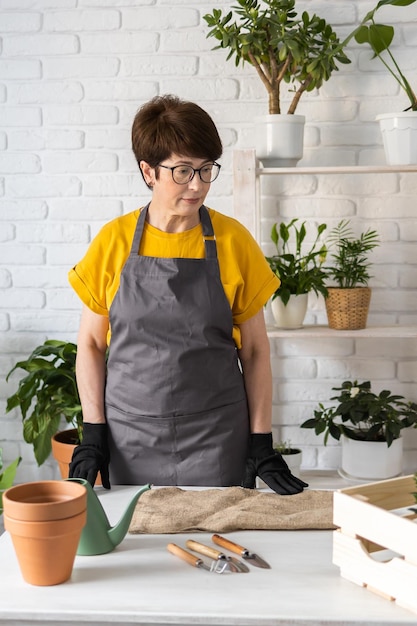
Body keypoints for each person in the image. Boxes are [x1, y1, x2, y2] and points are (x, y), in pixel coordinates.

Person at [68, 94, 308, 496]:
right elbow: (91, 344)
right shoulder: (113, 242)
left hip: (216, 436)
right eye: (182, 171)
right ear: (148, 171)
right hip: (131, 437)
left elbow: (254, 351)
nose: (197, 185)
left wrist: (261, 440)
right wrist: (94, 433)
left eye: (205, 169)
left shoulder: (234, 241)